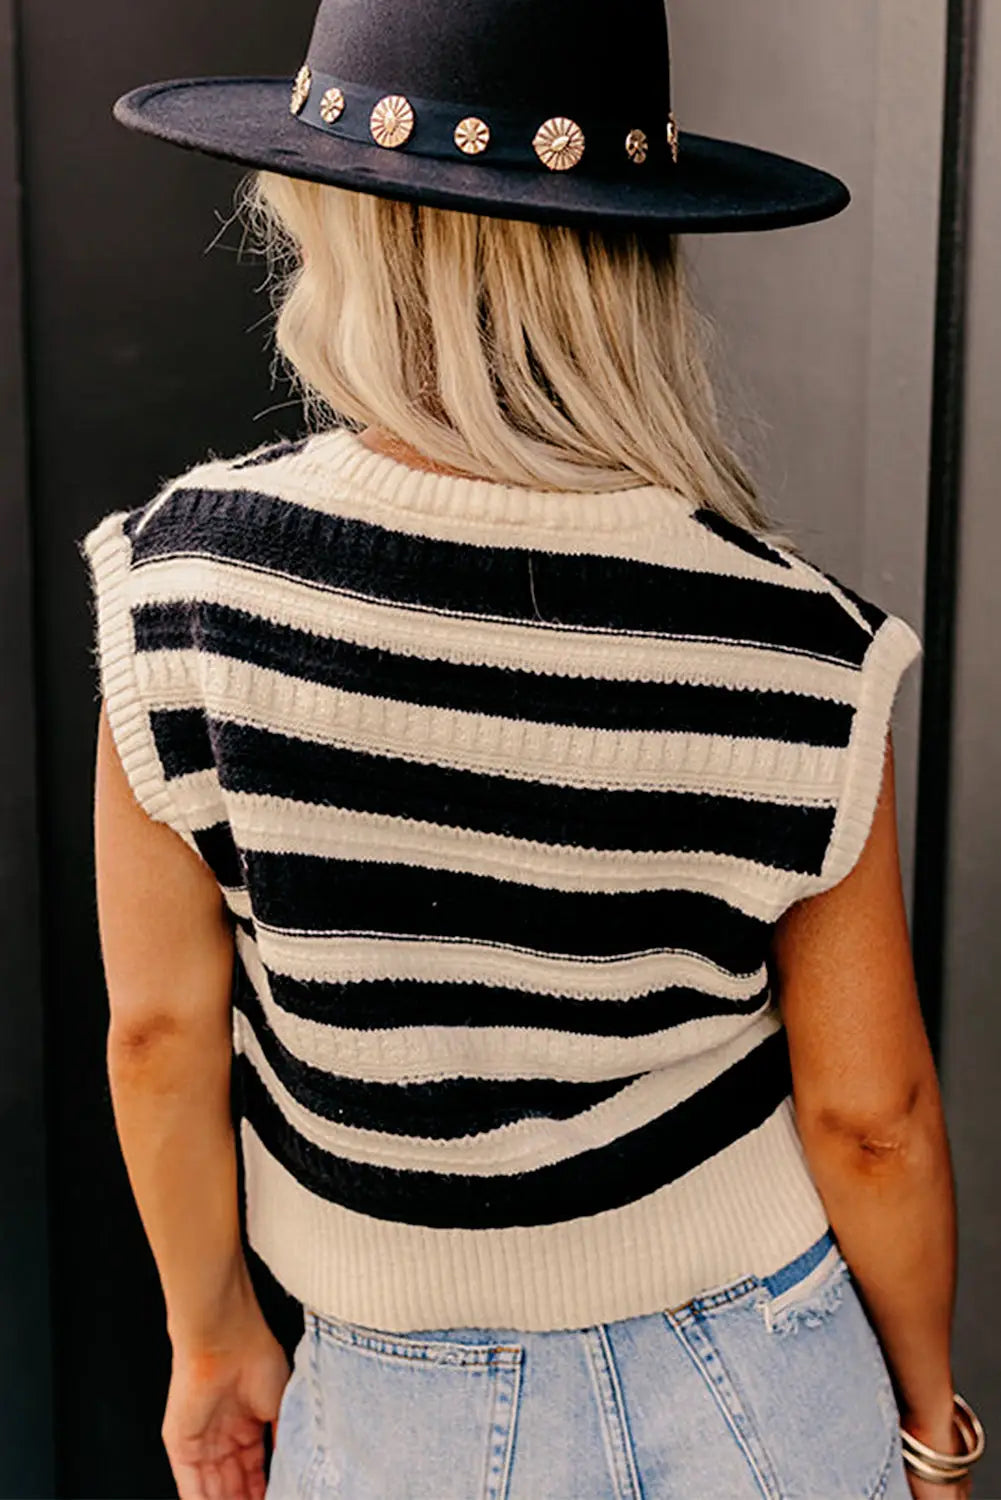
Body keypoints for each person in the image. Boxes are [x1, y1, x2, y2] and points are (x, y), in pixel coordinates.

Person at [79, 1, 985, 1496]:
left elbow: (159, 1036)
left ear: (332, 221)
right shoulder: (802, 649)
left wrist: (212, 1331)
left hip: (393, 1407)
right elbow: (870, 1120)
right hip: (762, 1381)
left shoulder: (183, 586)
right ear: (633, 260)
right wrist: (932, 1427)